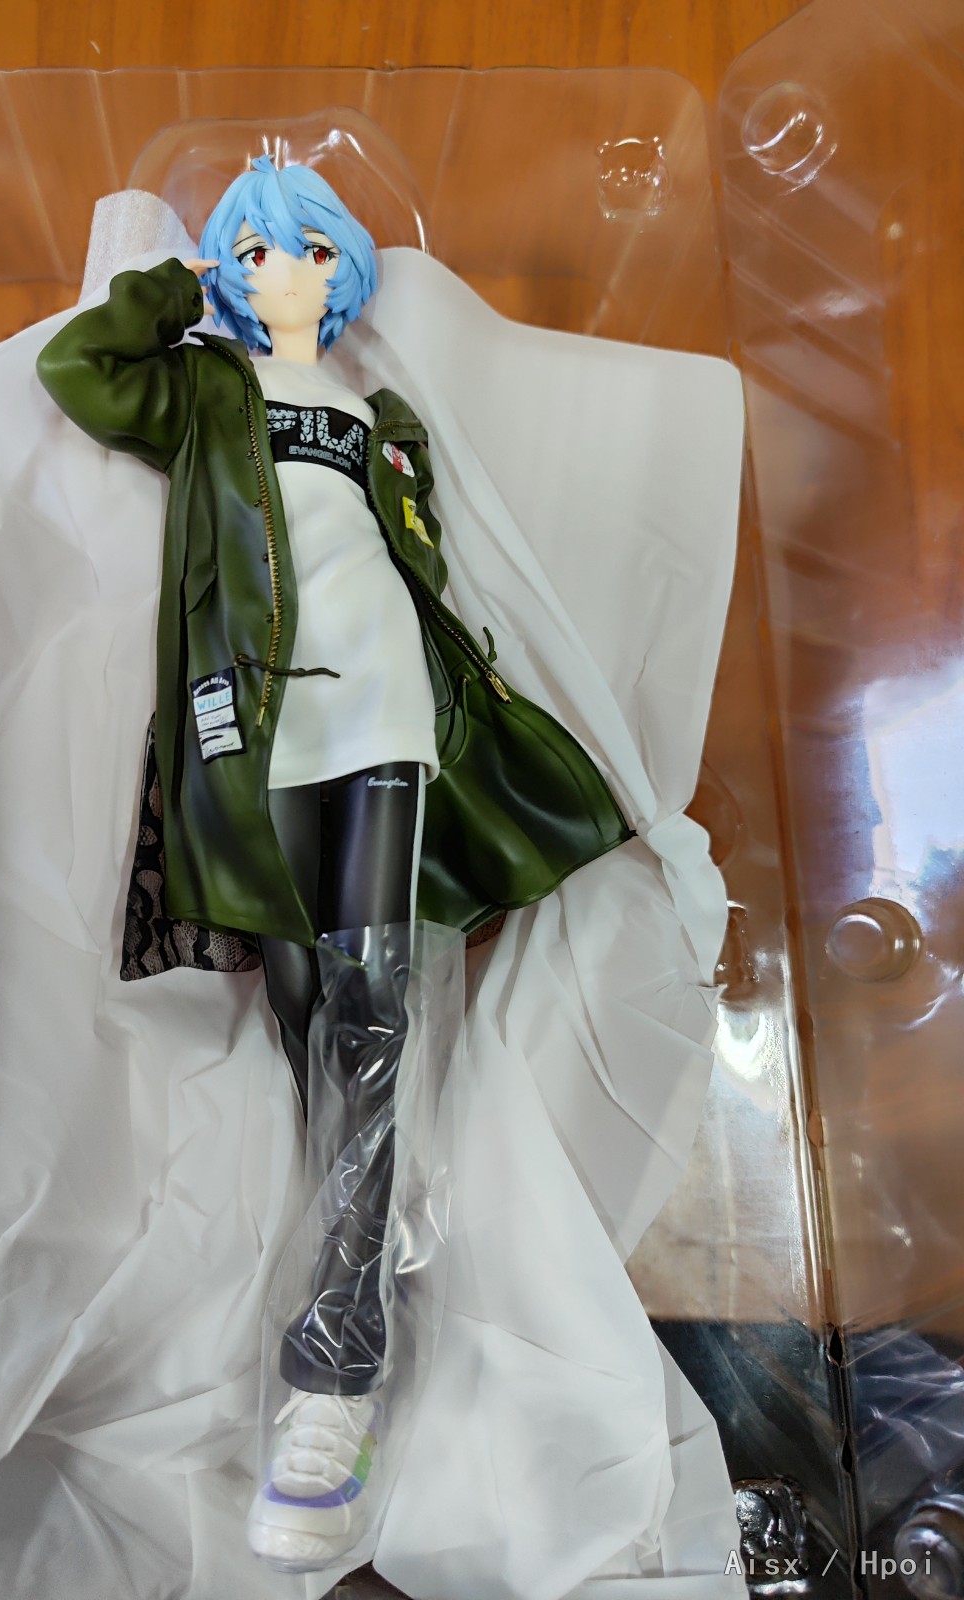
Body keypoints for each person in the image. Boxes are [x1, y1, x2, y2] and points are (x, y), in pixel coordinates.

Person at [36, 154, 632, 1571]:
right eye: (248, 252)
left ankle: (335, 1373)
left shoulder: (383, 417)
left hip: (388, 726)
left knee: (371, 1017)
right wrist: (173, 283)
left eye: (296, 247)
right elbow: (79, 369)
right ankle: (360, 1265)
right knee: (312, 1018)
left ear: (340, 266)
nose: (272, 271)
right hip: (260, 739)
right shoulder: (204, 389)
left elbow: (427, 569)